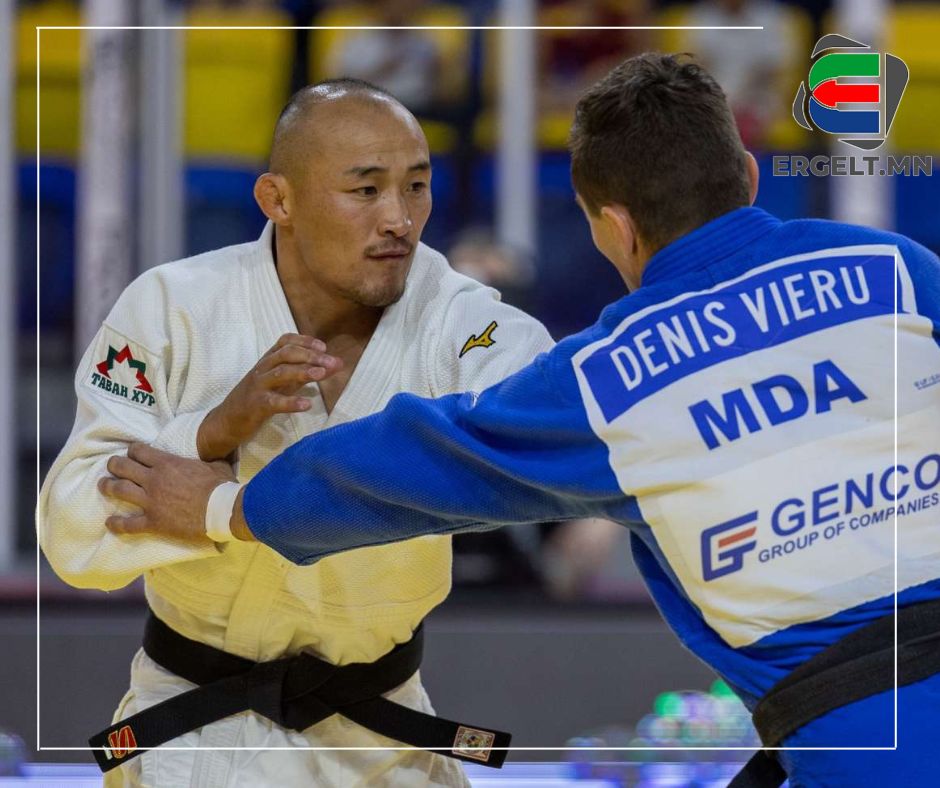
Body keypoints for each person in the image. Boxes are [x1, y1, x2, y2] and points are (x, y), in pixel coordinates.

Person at [99, 55, 940, 787]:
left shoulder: (611, 379)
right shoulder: (896, 269)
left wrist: (224, 506)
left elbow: (418, 459)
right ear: (748, 176)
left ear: (612, 227)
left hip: (868, 742)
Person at [37, 79, 554, 787]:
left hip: (382, 745)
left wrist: (218, 508)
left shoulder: (465, 325)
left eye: (416, 186)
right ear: (278, 199)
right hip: (190, 741)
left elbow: (526, 467)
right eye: (365, 190)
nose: (400, 219)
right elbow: (71, 536)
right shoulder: (173, 308)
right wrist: (211, 431)